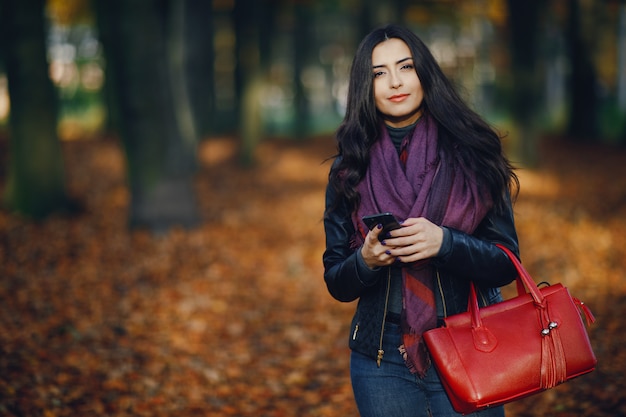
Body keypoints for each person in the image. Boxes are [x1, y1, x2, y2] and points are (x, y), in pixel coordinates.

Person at [323, 24, 520, 417]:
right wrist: (366, 262)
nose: (395, 82)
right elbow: (336, 280)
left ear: (424, 72)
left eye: (405, 66)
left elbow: (505, 263)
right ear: (366, 85)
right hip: (382, 360)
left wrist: (445, 243)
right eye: (379, 73)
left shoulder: (473, 152)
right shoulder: (350, 168)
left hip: (470, 343)